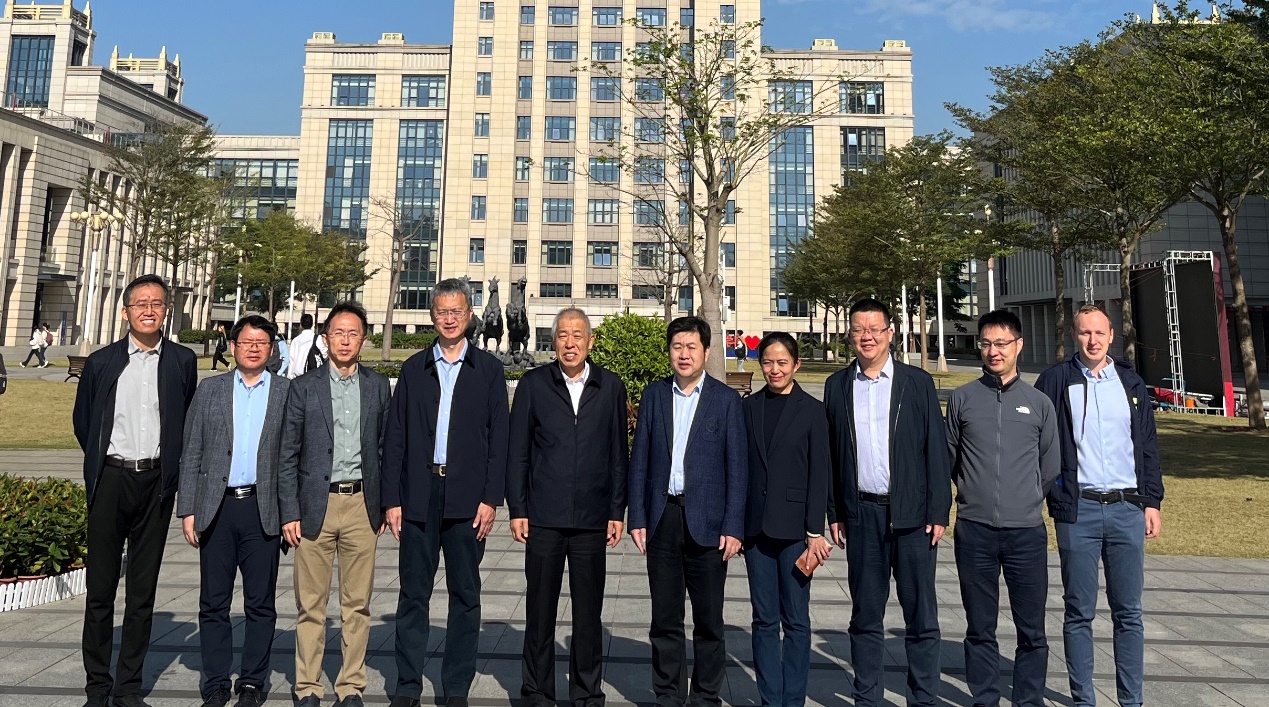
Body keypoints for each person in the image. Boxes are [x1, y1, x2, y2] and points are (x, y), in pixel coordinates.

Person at [382, 278, 510, 707]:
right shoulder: (414, 369)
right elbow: (395, 437)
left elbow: (500, 440)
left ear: (470, 315)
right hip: (419, 495)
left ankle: (456, 687)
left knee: (465, 596)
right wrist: (392, 500)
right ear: (432, 316)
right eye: (442, 312)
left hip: (467, 498)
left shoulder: (488, 370)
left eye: (457, 311)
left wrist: (491, 499)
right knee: (413, 595)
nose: (450, 319)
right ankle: (407, 686)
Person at [72, 274, 198, 707]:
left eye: (157, 303)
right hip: (110, 480)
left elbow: (184, 419)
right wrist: (104, 461)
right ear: (125, 312)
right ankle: (97, 687)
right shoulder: (102, 362)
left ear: (166, 310)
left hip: (155, 484)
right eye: (140, 303)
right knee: (100, 592)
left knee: (142, 594)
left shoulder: (182, 361)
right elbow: (84, 422)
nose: (149, 310)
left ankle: (127, 688)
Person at [824, 297, 951, 707]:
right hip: (862, 516)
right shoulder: (837, 386)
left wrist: (939, 510)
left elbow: (936, 451)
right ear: (850, 335)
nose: (867, 337)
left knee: (921, 617)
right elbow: (832, 455)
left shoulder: (917, 383)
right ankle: (867, 698)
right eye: (859, 329)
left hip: (913, 518)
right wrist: (835, 511)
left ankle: (923, 699)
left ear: (890, 333)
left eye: (874, 329)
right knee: (865, 616)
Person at [1035, 304, 1164, 707]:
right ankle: (1083, 700)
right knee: (1079, 612)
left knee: (1129, 613)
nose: (1093, 340)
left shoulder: (1130, 382)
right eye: (1085, 333)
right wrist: (1053, 492)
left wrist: (1152, 501)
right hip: (1079, 512)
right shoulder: (1056, 380)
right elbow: (1039, 441)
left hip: (1128, 508)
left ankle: (1132, 701)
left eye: (1100, 333)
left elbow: (1147, 445)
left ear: (1111, 336)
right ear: (1074, 335)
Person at [507, 307, 629, 707]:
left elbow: (618, 454)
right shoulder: (533, 385)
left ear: (590, 341)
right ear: (553, 341)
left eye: (578, 335)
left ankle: (587, 693)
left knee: (588, 615)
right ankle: (537, 692)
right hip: (543, 517)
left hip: (593, 518)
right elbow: (518, 452)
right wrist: (518, 508)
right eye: (562, 335)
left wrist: (616, 510)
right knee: (539, 611)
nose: (570, 343)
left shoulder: (610, 387)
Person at [627, 315, 748, 707]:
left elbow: (738, 468)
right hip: (663, 519)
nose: (683, 354)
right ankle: (668, 694)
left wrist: (734, 526)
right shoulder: (655, 395)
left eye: (691, 347)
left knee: (709, 621)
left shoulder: (725, 400)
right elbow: (639, 460)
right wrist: (638, 517)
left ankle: (706, 696)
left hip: (708, 525)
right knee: (665, 619)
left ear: (706, 352)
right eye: (677, 346)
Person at [277, 301, 391, 707]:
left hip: (361, 505)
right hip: (314, 506)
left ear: (364, 339)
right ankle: (308, 685)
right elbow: (287, 454)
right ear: (325, 339)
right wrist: (289, 511)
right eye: (338, 333)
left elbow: (385, 449)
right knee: (311, 604)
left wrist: (384, 505)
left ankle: (351, 685)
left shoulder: (378, 386)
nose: (345, 340)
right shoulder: (303, 387)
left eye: (353, 333)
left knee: (357, 605)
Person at [945, 310, 1060, 707]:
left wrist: (1026, 498)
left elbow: (1050, 465)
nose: (993, 351)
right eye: (986, 343)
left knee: (1032, 631)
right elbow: (950, 459)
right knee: (980, 628)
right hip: (974, 530)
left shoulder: (1039, 404)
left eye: (1001, 343)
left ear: (1018, 345)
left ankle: (1028, 700)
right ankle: (985, 698)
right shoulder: (962, 399)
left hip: (1025, 533)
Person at [178, 315, 291, 707]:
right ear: (233, 346)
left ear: (272, 349)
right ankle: (215, 683)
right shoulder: (210, 390)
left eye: (262, 343)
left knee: (260, 604)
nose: (254, 348)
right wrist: (188, 508)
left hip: (263, 509)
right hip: (217, 509)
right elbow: (192, 449)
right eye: (247, 342)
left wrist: (290, 512)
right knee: (214, 603)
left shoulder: (286, 392)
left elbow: (294, 456)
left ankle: (252, 682)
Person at [741, 331, 831, 707]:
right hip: (756, 530)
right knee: (764, 619)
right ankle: (770, 698)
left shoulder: (812, 410)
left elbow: (819, 474)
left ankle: (793, 699)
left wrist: (815, 531)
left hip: (796, 531)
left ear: (796, 364)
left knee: (795, 619)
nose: (774, 369)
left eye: (782, 362)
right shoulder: (748, 407)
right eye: (768, 362)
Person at [287, 313, 328, 379]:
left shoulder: (295, 340)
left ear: (301, 324)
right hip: (313, 376)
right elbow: (325, 355)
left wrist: (290, 377)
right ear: (312, 324)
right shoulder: (318, 339)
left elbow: (291, 360)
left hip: (298, 377)